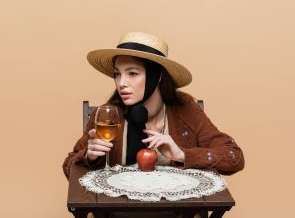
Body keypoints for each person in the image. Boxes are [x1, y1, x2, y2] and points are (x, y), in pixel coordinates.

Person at [62, 32, 244, 217]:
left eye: (132, 73)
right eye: (117, 74)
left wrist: (182, 155)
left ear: (156, 76)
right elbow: (69, 166)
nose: (121, 83)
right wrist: (88, 156)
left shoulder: (185, 110)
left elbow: (234, 156)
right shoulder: (107, 115)